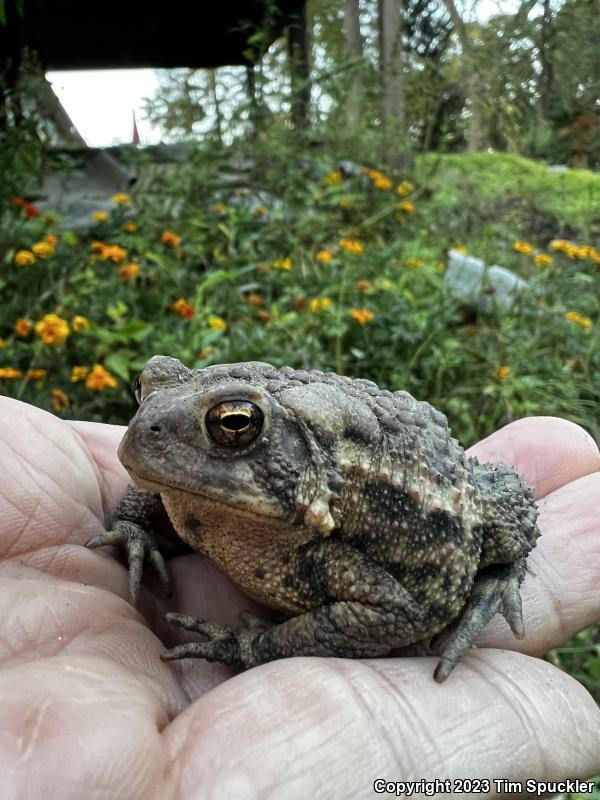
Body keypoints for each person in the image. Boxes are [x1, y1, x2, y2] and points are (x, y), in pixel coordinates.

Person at [0, 395, 598, 799]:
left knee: (500, 520)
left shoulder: (319, 546)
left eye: (231, 427)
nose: (147, 431)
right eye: (146, 394)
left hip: (412, 495)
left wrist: (256, 645)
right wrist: (132, 523)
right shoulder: (193, 486)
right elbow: (154, 475)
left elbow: (399, 608)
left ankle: (505, 570)